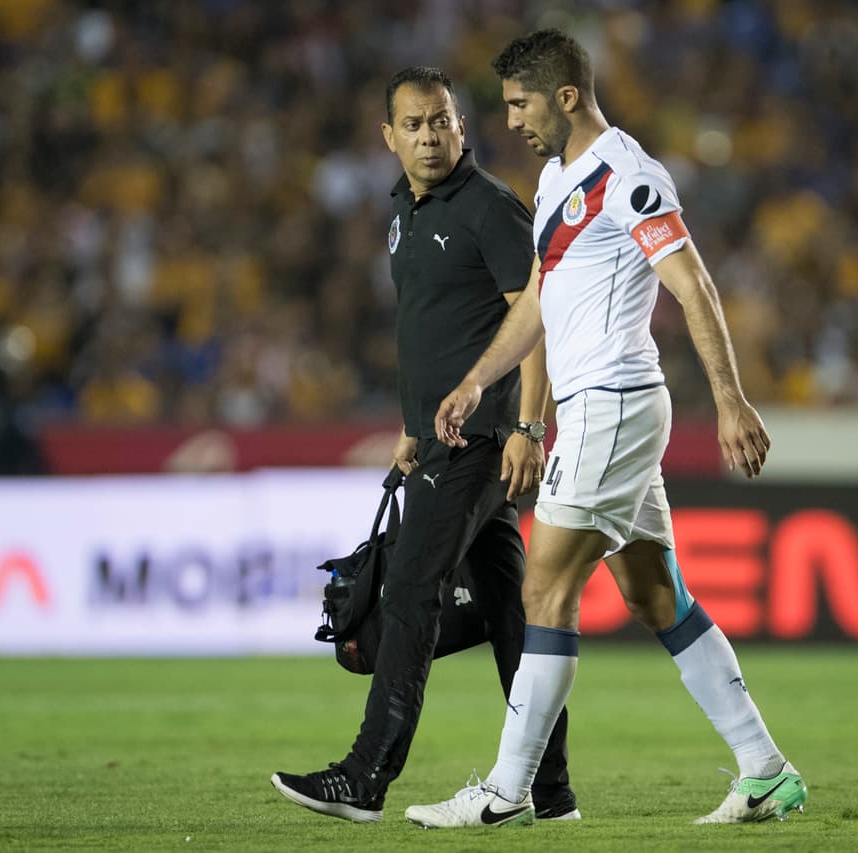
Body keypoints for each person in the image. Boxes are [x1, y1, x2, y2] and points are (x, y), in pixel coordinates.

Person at [404, 30, 806, 829]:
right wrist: (477, 380)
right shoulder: (556, 179)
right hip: (604, 407)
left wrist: (730, 399)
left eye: (520, 104)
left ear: (564, 97)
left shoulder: (628, 176)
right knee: (656, 593)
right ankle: (766, 770)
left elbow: (694, 287)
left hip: (612, 403)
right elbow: (537, 304)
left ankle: (509, 791)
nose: (510, 120)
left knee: (544, 587)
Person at [271, 66, 578, 824]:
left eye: (441, 121)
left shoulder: (490, 210)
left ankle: (364, 776)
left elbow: (534, 321)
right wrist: (412, 429)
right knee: (511, 612)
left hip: (479, 441)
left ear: (462, 127)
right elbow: (437, 329)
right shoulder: (403, 212)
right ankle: (550, 790)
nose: (430, 135)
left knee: (411, 594)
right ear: (390, 138)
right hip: (437, 442)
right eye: (414, 124)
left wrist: (527, 427)